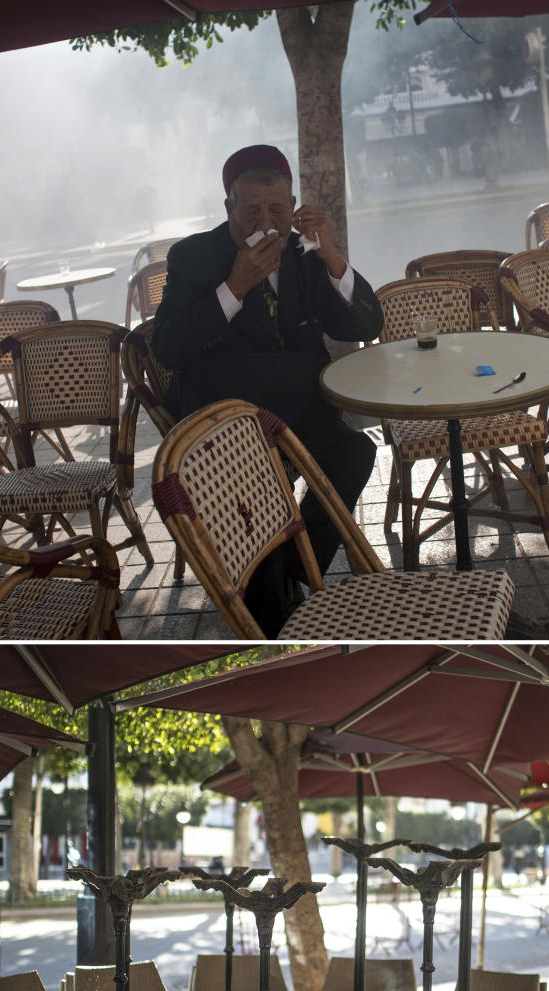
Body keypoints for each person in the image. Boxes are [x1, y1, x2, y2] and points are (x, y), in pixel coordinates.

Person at [152, 144, 384, 634]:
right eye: (252, 209)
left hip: (300, 414)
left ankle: (299, 567)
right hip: (227, 425)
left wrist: (334, 256)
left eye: (278, 209)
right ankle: (274, 607)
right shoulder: (194, 256)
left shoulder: (303, 253)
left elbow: (364, 322)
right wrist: (234, 287)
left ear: (294, 204)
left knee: (356, 454)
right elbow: (168, 348)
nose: (266, 220)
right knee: (258, 503)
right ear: (228, 207)